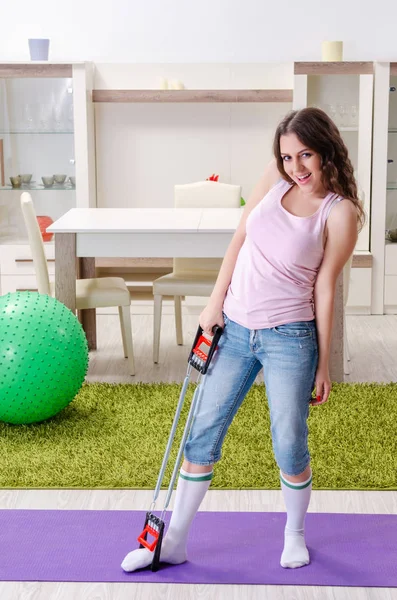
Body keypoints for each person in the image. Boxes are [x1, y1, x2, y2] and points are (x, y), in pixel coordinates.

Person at [121, 107, 365, 572]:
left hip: (289, 337)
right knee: (201, 433)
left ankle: (294, 534)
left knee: (288, 439)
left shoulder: (340, 212)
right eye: (287, 156)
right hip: (233, 328)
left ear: (327, 150)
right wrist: (214, 306)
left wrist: (324, 363)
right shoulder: (275, 179)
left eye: (306, 155)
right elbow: (239, 238)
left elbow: (326, 287)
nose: (296, 167)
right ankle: (174, 542)